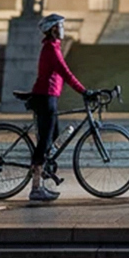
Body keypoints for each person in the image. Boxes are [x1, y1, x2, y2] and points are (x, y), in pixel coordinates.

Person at [27, 12, 88, 203]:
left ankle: (44, 173)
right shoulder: (52, 49)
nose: (63, 29)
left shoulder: (53, 47)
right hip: (46, 97)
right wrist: (85, 92)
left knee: (53, 139)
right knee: (45, 142)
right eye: (61, 26)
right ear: (53, 29)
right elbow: (66, 74)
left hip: (49, 96)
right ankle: (36, 187)